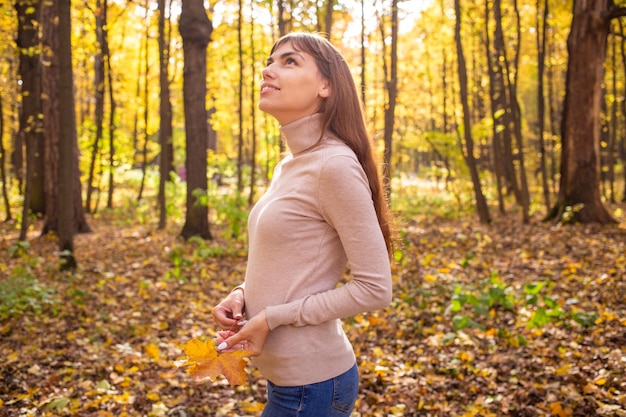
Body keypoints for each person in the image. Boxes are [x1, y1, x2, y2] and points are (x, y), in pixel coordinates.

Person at [212, 32, 394, 417]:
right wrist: (242, 295)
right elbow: (295, 259)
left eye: (289, 61)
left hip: (311, 388)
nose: (268, 70)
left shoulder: (334, 166)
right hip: (288, 383)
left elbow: (375, 288)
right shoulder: (291, 164)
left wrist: (273, 317)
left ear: (326, 85)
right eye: (270, 60)